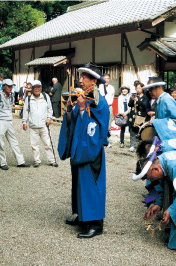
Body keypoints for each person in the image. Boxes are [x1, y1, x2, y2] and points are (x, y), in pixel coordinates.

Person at [59, 62, 109, 238]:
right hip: (80, 148)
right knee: (79, 183)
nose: (80, 80)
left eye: (84, 77)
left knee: (91, 185)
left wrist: (81, 110)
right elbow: (75, 120)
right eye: (80, 77)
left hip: (91, 151)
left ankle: (95, 224)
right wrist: (69, 110)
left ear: (94, 81)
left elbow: (98, 127)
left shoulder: (99, 102)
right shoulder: (84, 97)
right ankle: (82, 216)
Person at [0, 78, 29, 170]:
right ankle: (3, 162)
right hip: (0, 121)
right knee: (1, 143)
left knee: (14, 141)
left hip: (9, 121)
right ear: (3, 86)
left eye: (11, 86)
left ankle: (20, 161)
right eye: (8, 86)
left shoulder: (11, 96)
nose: (10, 88)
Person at [22, 80, 58, 168]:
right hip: (33, 126)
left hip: (44, 125)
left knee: (48, 144)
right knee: (34, 145)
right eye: (35, 87)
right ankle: (37, 161)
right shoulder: (28, 98)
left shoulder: (45, 97)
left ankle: (52, 160)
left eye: (38, 87)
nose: (37, 89)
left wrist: (49, 118)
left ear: (41, 88)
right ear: (32, 88)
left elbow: (50, 109)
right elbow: (25, 111)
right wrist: (24, 122)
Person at [127, 81, 149, 152]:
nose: (138, 89)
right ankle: (132, 145)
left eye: (139, 88)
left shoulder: (145, 97)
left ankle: (140, 146)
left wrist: (138, 100)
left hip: (141, 116)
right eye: (137, 88)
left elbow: (145, 105)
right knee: (132, 131)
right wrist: (131, 99)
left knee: (140, 131)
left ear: (142, 89)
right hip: (133, 116)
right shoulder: (134, 95)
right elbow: (129, 105)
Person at [98, 72, 115, 146]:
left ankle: (106, 140)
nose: (107, 80)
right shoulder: (99, 87)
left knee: (108, 123)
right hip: (101, 107)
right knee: (101, 122)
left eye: (108, 79)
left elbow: (112, 97)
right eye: (105, 78)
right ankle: (100, 139)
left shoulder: (112, 88)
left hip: (109, 106)